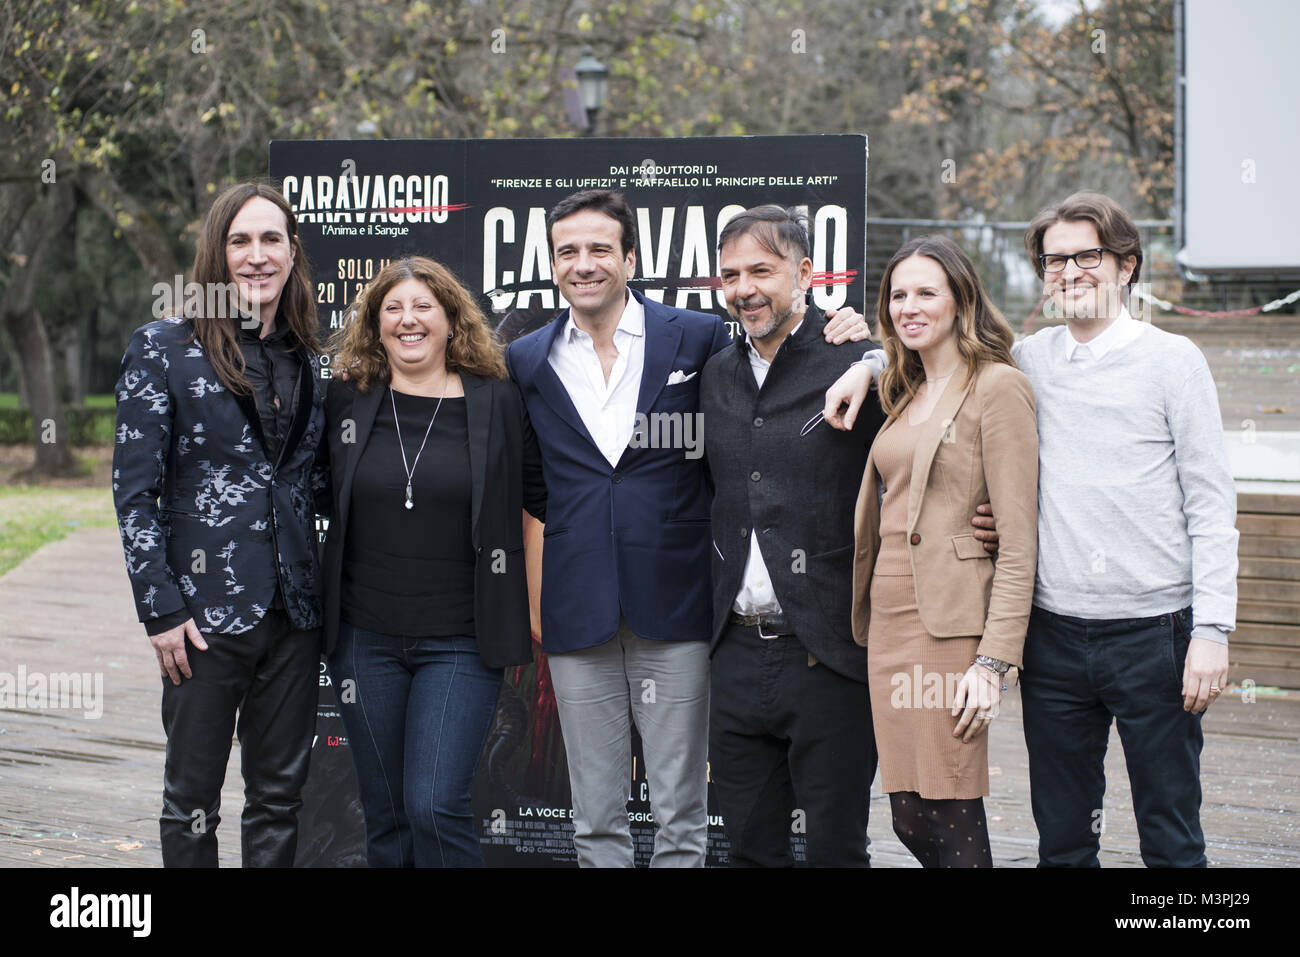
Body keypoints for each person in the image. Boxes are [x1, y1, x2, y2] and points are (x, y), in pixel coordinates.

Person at [826, 192, 1238, 868]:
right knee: (1063, 840)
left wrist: (1213, 631)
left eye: (1087, 256)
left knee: (1171, 834)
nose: (1069, 271)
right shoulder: (1031, 361)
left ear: (1126, 265)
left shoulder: (1173, 361)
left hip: (1154, 632)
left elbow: (1210, 503)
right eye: (1054, 260)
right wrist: (870, 362)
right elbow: (941, 353)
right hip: (1053, 641)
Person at [505, 189, 871, 867]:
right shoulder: (527, 359)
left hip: (679, 610)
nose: (583, 264)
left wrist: (866, 349)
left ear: (631, 258)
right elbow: (534, 481)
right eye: (567, 251)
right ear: (552, 263)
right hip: (577, 608)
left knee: (683, 816)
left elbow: (795, 360)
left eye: (599, 249)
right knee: (596, 821)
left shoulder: (698, 338)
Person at [113, 181, 327, 867]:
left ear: (292, 253)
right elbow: (134, 493)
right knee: (193, 803)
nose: (257, 255)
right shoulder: (162, 348)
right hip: (198, 620)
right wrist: (160, 610)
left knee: (278, 800)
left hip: (294, 617)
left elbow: (310, 484)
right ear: (217, 252)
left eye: (271, 240)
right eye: (241, 240)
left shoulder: (310, 360)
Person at [321, 256, 546, 867]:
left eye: (424, 306)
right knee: (385, 810)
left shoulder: (497, 399)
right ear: (374, 323)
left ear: (451, 319)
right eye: (392, 308)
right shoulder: (347, 398)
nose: (408, 320)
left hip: (462, 640)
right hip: (364, 640)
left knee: (434, 804)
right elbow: (305, 489)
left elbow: (542, 497)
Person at [700, 205, 886, 866]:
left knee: (837, 850)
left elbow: (941, 383)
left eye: (761, 269)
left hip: (828, 654)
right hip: (734, 657)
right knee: (749, 849)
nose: (744, 287)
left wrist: (878, 359)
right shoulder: (715, 372)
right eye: (730, 274)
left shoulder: (855, 357)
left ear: (804, 272)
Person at [850, 234, 1038, 868]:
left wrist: (994, 662)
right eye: (898, 294)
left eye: (926, 292)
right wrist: (867, 362)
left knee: (949, 806)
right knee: (907, 812)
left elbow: (1017, 542)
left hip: (953, 629)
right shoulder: (901, 391)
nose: (910, 306)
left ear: (961, 300)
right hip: (891, 623)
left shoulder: (998, 387)